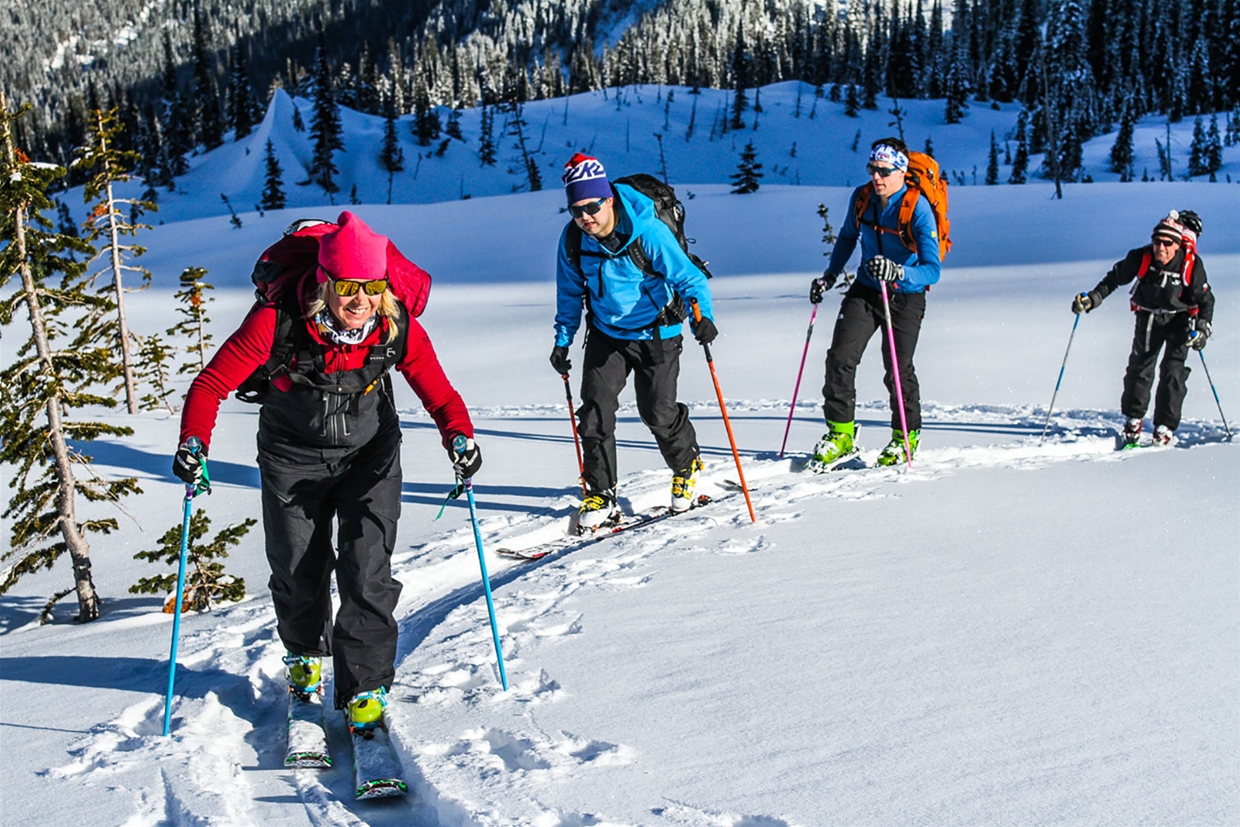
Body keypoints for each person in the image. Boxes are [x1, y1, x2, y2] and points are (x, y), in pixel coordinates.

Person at [172, 211, 480, 730]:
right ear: (325, 282)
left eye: (372, 285)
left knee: (367, 570)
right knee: (297, 569)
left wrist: (460, 434)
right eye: (348, 286)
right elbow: (210, 385)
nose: (360, 298)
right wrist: (193, 442)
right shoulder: (277, 322)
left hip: (370, 456)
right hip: (291, 455)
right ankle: (304, 668)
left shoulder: (394, 325)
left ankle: (365, 690)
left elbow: (440, 393)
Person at [551, 153, 718, 530]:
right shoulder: (575, 239)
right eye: (576, 209)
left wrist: (702, 316)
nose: (585, 217)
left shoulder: (648, 232)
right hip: (607, 334)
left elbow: (689, 279)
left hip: (657, 331)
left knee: (657, 412)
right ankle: (601, 492)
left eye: (591, 206)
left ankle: (686, 464)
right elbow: (569, 292)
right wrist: (563, 340)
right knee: (594, 411)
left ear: (608, 198)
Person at [808, 137, 942, 469]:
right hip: (866, 289)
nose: (876, 177)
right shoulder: (862, 198)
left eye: (883, 171)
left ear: (901, 171)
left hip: (904, 295)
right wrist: (829, 275)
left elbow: (932, 270)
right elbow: (847, 238)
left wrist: (899, 271)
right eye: (872, 169)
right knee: (840, 357)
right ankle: (841, 433)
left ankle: (904, 437)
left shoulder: (917, 208)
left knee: (897, 368)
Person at [1071, 209, 1214, 447]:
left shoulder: (1191, 265)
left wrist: (1202, 329)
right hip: (1148, 316)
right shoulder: (1141, 257)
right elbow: (1114, 279)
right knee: (1140, 368)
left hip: (1180, 320)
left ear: (1177, 245)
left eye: (1167, 243)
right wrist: (1093, 298)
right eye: (1157, 241)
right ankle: (1133, 420)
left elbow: (1206, 300)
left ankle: (1164, 427)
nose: (1161, 248)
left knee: (1173, 371)